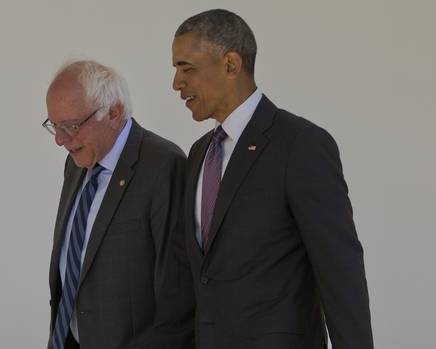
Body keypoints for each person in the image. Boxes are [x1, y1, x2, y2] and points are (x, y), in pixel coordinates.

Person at [172, 9, 373, 348]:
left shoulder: (300, 145)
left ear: (231, 65)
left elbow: (341, 274)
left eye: (186, 68)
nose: (176, 83)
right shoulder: (198, 153)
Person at [44, 60, 193, 349]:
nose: (60, 140)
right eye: (54, 126)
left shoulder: (163, 167)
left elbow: (178, 300)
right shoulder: (77, 163)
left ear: (114, 113)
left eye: (71, 126)